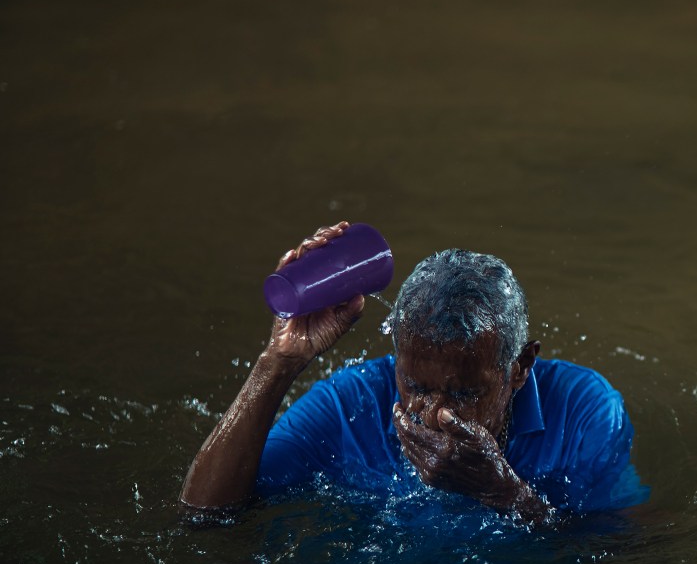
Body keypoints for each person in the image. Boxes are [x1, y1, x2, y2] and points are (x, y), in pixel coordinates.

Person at [181, 223, 645, 520]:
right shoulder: (349, 406)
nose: (434, 413)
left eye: (465, 393)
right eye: (416, 387)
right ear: (396, 360)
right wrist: (277, 363)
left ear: (520, 368)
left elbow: (617, 557)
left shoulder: (586, 410)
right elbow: (205, 516)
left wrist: (503, 493)